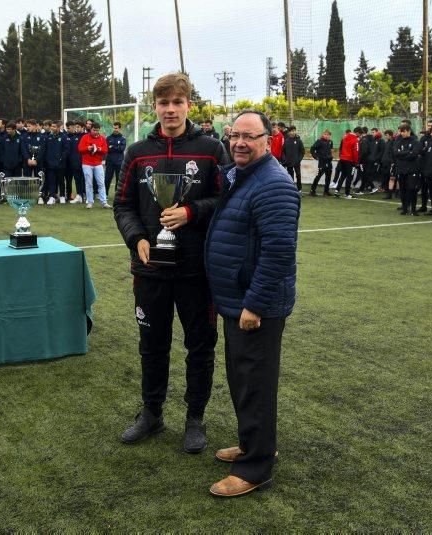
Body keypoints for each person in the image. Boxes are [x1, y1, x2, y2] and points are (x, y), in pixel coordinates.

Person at [113, 72, 227, 454]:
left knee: (200, 345)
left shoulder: (212, 150)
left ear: (188, 105)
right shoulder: (137, 151)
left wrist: (191, 212)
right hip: (150, 269)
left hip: (197, 270)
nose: (170, 109)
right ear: (155, 107)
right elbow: (123, 204)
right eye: (163, 103)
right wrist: (138, 238)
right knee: (152, 343)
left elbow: (225, 201)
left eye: (177, 102)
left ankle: (195, 418)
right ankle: (152, 413)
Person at [204, 110, 300, 498]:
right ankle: (254, 444)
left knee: (256, 384)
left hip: (254, 306)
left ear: (268, 139)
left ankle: (256, 466)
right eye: (234, 135)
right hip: (235, 300)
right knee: (243, 379)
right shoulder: (240, 174)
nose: (239, 142)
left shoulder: (274, 184)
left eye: (249, 136)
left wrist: (255, 304)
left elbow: (279, 252)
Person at [78, 122, 108, 209]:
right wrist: (88, 148)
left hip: (98, 163)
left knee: (101, 183)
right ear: (90, 129)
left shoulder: (102, 138)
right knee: (88, 183)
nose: (96, 132)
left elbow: (106, 150)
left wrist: (99, 149)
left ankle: (104, 202)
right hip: (87, 163)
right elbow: (79, 149)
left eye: (97, 130)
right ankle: (90, 202)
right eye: (94, 130)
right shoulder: (85, 137)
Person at [393, 124, 422, 215]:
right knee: (402, 189)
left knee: (412, 189)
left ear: (408, 131)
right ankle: (405, 208)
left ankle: (413, 209)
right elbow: (395, 152)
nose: (402, 133)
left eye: (403, 131)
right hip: (401, 169)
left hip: (412, 169)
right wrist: (407, 153)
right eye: (401, 131)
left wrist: (402, 154)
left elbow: (414, 154)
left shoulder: (415, 141)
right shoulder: (399, 140)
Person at [336, 127, 360, 198]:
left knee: (343, 175)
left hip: (343, 159)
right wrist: (356, 162)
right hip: (350, 161)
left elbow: (341, 148)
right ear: (358, 132)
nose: (360, 135)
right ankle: (347, 193)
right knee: (350, 177)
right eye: (360, 134)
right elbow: (356, 152)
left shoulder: (345, 137)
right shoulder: (355, 140)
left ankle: (337, 190)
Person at [105, 122, 126, 200]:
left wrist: (112, 147)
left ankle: (117, 195)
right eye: (114, 127)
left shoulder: (123, 138)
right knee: (107, 179)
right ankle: (105, 194)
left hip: (119, 162)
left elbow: (121, 149)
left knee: (119, 180)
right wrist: (116, 147)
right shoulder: (108, 138)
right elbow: (107, 149)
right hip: (110, 162)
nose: (115, 129)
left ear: (119, 128)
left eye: (116, 128)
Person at [309, 129, 334, 196]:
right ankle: (312, 191)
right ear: (323, 135)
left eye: (328, 135)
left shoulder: (330, 142)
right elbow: (312, 149)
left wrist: (331, 156)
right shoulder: (319, 141)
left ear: (330, 136)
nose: (326, 136)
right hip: (322, 161)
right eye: (325, 134)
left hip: (329, 162)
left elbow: (330, 150)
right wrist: (316, 157)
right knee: (318, 176)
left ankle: (326, 191)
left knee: (328, 177)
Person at [281, 126, 305, 192]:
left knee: (298, 175)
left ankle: (299, 189)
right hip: (289, 162)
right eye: (291, 131)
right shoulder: (286, 141)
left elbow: (302, 152)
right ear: (289, 132)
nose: (292, 132)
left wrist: (299, 159)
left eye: (294, 130)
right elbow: (283, 151)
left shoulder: (299, 141)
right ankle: (291, 188)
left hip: (296, 162)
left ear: (295, 131)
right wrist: (285, 159)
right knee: (290, 176)